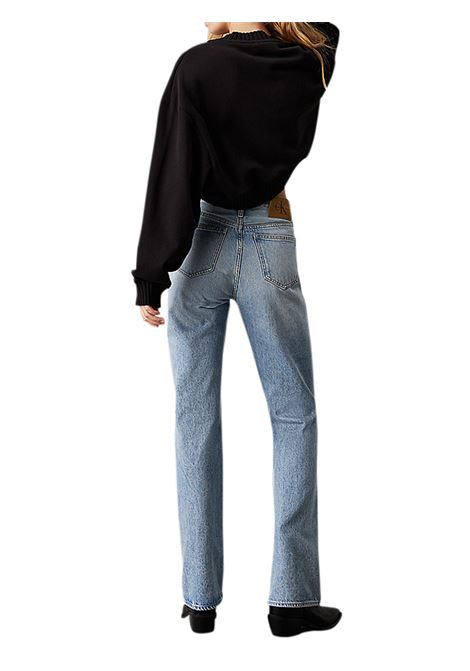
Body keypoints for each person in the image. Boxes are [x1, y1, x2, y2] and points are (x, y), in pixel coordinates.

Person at [131, 21, 342, 636]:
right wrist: (266, 27)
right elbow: (329, 30)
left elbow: (172, 170)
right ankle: (291, 601)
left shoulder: (195, 67)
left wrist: (151, 273)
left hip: (202, 243)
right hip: (271, 238)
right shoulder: (308, 60)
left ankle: (200, 599)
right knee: (293, 415)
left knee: (194, 417)